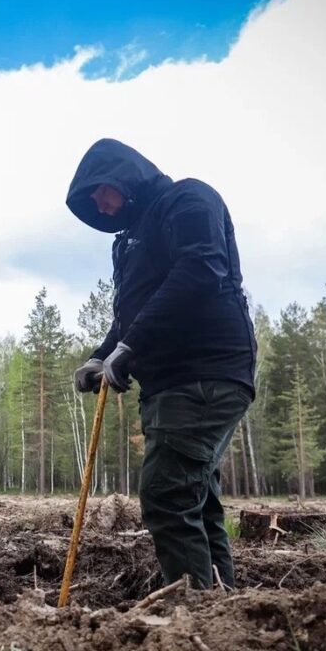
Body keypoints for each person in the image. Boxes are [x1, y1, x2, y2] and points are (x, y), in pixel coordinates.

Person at [65, 138, 256, 589]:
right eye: (92, 200)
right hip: (168, 385)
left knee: (167, 494)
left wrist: (131, 346)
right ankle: (220, 607)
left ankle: (195, 613)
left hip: (205, 372)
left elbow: (200, 270)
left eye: (102, 191)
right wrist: (101, 354)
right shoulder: (128, 241)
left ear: (124, 177)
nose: (101, 204)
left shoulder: (188, 199)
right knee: (194, 497)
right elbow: (131, 313)